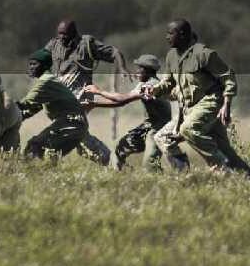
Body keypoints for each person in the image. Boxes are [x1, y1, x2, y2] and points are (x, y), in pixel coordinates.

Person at [141, 19, 250, 173]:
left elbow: (228, 76)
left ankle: (221, 169)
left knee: (188, 129)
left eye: (170, 33)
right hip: (190, 109)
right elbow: (168, 82)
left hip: (211, 102)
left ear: (183, 35)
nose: (167, 37)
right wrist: (154, 90)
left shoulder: (203, 54)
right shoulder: (171, 56)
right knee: (225, 150)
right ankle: (243, 176)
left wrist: (227, 104)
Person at [43, 19, 129, 165]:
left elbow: (114, 52)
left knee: (68, 132)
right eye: (60, 34)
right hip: (59, 99)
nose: (62, 37)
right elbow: (41, 60)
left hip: (80, 97)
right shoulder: (54, 45)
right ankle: (116, 165)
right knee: (81, 140)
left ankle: (48, 161)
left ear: (74, 33)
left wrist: (122, 68)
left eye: (65, 34)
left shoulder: (87, 44)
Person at [82, 54, 188, 171]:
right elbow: (119, 101)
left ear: (148, 71)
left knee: (150, 164)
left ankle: (180, 172)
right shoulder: (143, 84)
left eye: (140, 69)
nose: (136, 72)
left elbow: (122, 100)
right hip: (149, 125)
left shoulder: (150, 85)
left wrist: (99, 92)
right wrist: (94, 103)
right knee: (120, 147)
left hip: (158, 127)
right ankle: (120, 173)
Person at [19, 49, 104, 164]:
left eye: (35, 64)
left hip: (71, 124)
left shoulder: (45, 82)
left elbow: (25, 103)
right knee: (44, 153)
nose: (31, 67)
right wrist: (19, 117)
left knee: (38, 148)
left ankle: (33, 173)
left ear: (44, 66)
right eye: (30, 64)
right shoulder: (50, 81)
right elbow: (33, 107)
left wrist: (7, 113)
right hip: (73, 124)